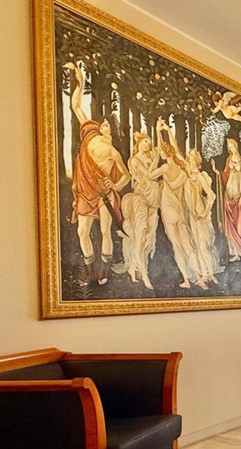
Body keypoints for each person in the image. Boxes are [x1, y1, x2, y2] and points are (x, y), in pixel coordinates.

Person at [66, 62, 130, 285]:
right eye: (105, 125)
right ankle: (91, 272)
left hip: (104, 194)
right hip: (86, 192)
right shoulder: (89, 135)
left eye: (110, 127)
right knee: (82, 231)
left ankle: (104, 271)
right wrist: (80, 81)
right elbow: (76, 107)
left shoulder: (112, 152)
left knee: (105, 230)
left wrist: (115, 186)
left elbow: (126, 176)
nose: (106, 128)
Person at [149, 119, 202, 289]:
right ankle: (198, 277)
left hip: (169, 210)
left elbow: (150, 175)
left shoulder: (164, 168)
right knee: (188, 245)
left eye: (161, 152)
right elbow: (174, 147)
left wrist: (155, 159)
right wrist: (163, 131)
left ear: (164, 154)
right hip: (180, 210)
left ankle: (186, 279)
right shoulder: (181, 167)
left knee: (177, 247)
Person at [116, 131, 160, 289]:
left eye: (149, 142)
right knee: (140, 235)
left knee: (148, 237)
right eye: (145, 141)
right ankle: (144, 273)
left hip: (154, 200)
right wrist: (156, 159)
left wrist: (159, 131)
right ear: (138, 143)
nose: (148, 145)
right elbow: (149, 174)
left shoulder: (151, 156)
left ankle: (133, 267)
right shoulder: (134, 160)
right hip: (141, 198)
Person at [213, 138, 241, 263]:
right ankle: (236, 253)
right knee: (231, 227)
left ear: (236, 146)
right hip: (229, 197)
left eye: (231, 146)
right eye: (229, 147)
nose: (230, 149)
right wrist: (216, 171)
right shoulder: (229, 159)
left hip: (238, 198)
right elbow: (225, 175)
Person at [184, 148, 220, 286]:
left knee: (203, 245)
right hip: (189, 214)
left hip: (199, 212)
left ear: (196, 161)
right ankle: (203, 273)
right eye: (189, 158)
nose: (190, 160)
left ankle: (209, 273)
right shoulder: (186, 176)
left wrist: (205, 213)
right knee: (196, 245)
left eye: (193, 158)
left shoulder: (199, 176)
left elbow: (211, 195)